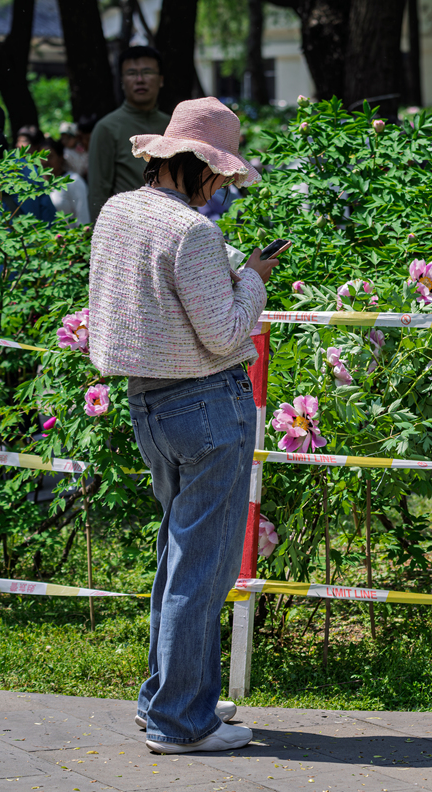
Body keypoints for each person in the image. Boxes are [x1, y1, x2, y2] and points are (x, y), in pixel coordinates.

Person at [88, 96, 276, 754]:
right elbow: (225, 331)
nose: (223, 188)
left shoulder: (117, 211)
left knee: (178, 559)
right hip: (207, 406)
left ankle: (169, 696)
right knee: (203, 568)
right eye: (221, 176)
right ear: (197, 164)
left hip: (148, 405)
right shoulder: (194, 232)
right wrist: (251, 279)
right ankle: (181, 722)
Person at [88, 46, 171, 221]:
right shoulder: (107, 128)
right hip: (126, 229)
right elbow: (98, 192)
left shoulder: (173, 126)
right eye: (132, 73)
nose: (140, 80)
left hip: (172, 227)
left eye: (147, 72)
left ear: (161, 80)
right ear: (122, 81)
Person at [37, 138, 90, 225]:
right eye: (41, 157)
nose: (45, 161)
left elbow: (83, 218)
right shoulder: (36, 184)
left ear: (61, 157)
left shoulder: (73, 182)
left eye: (50, 157)